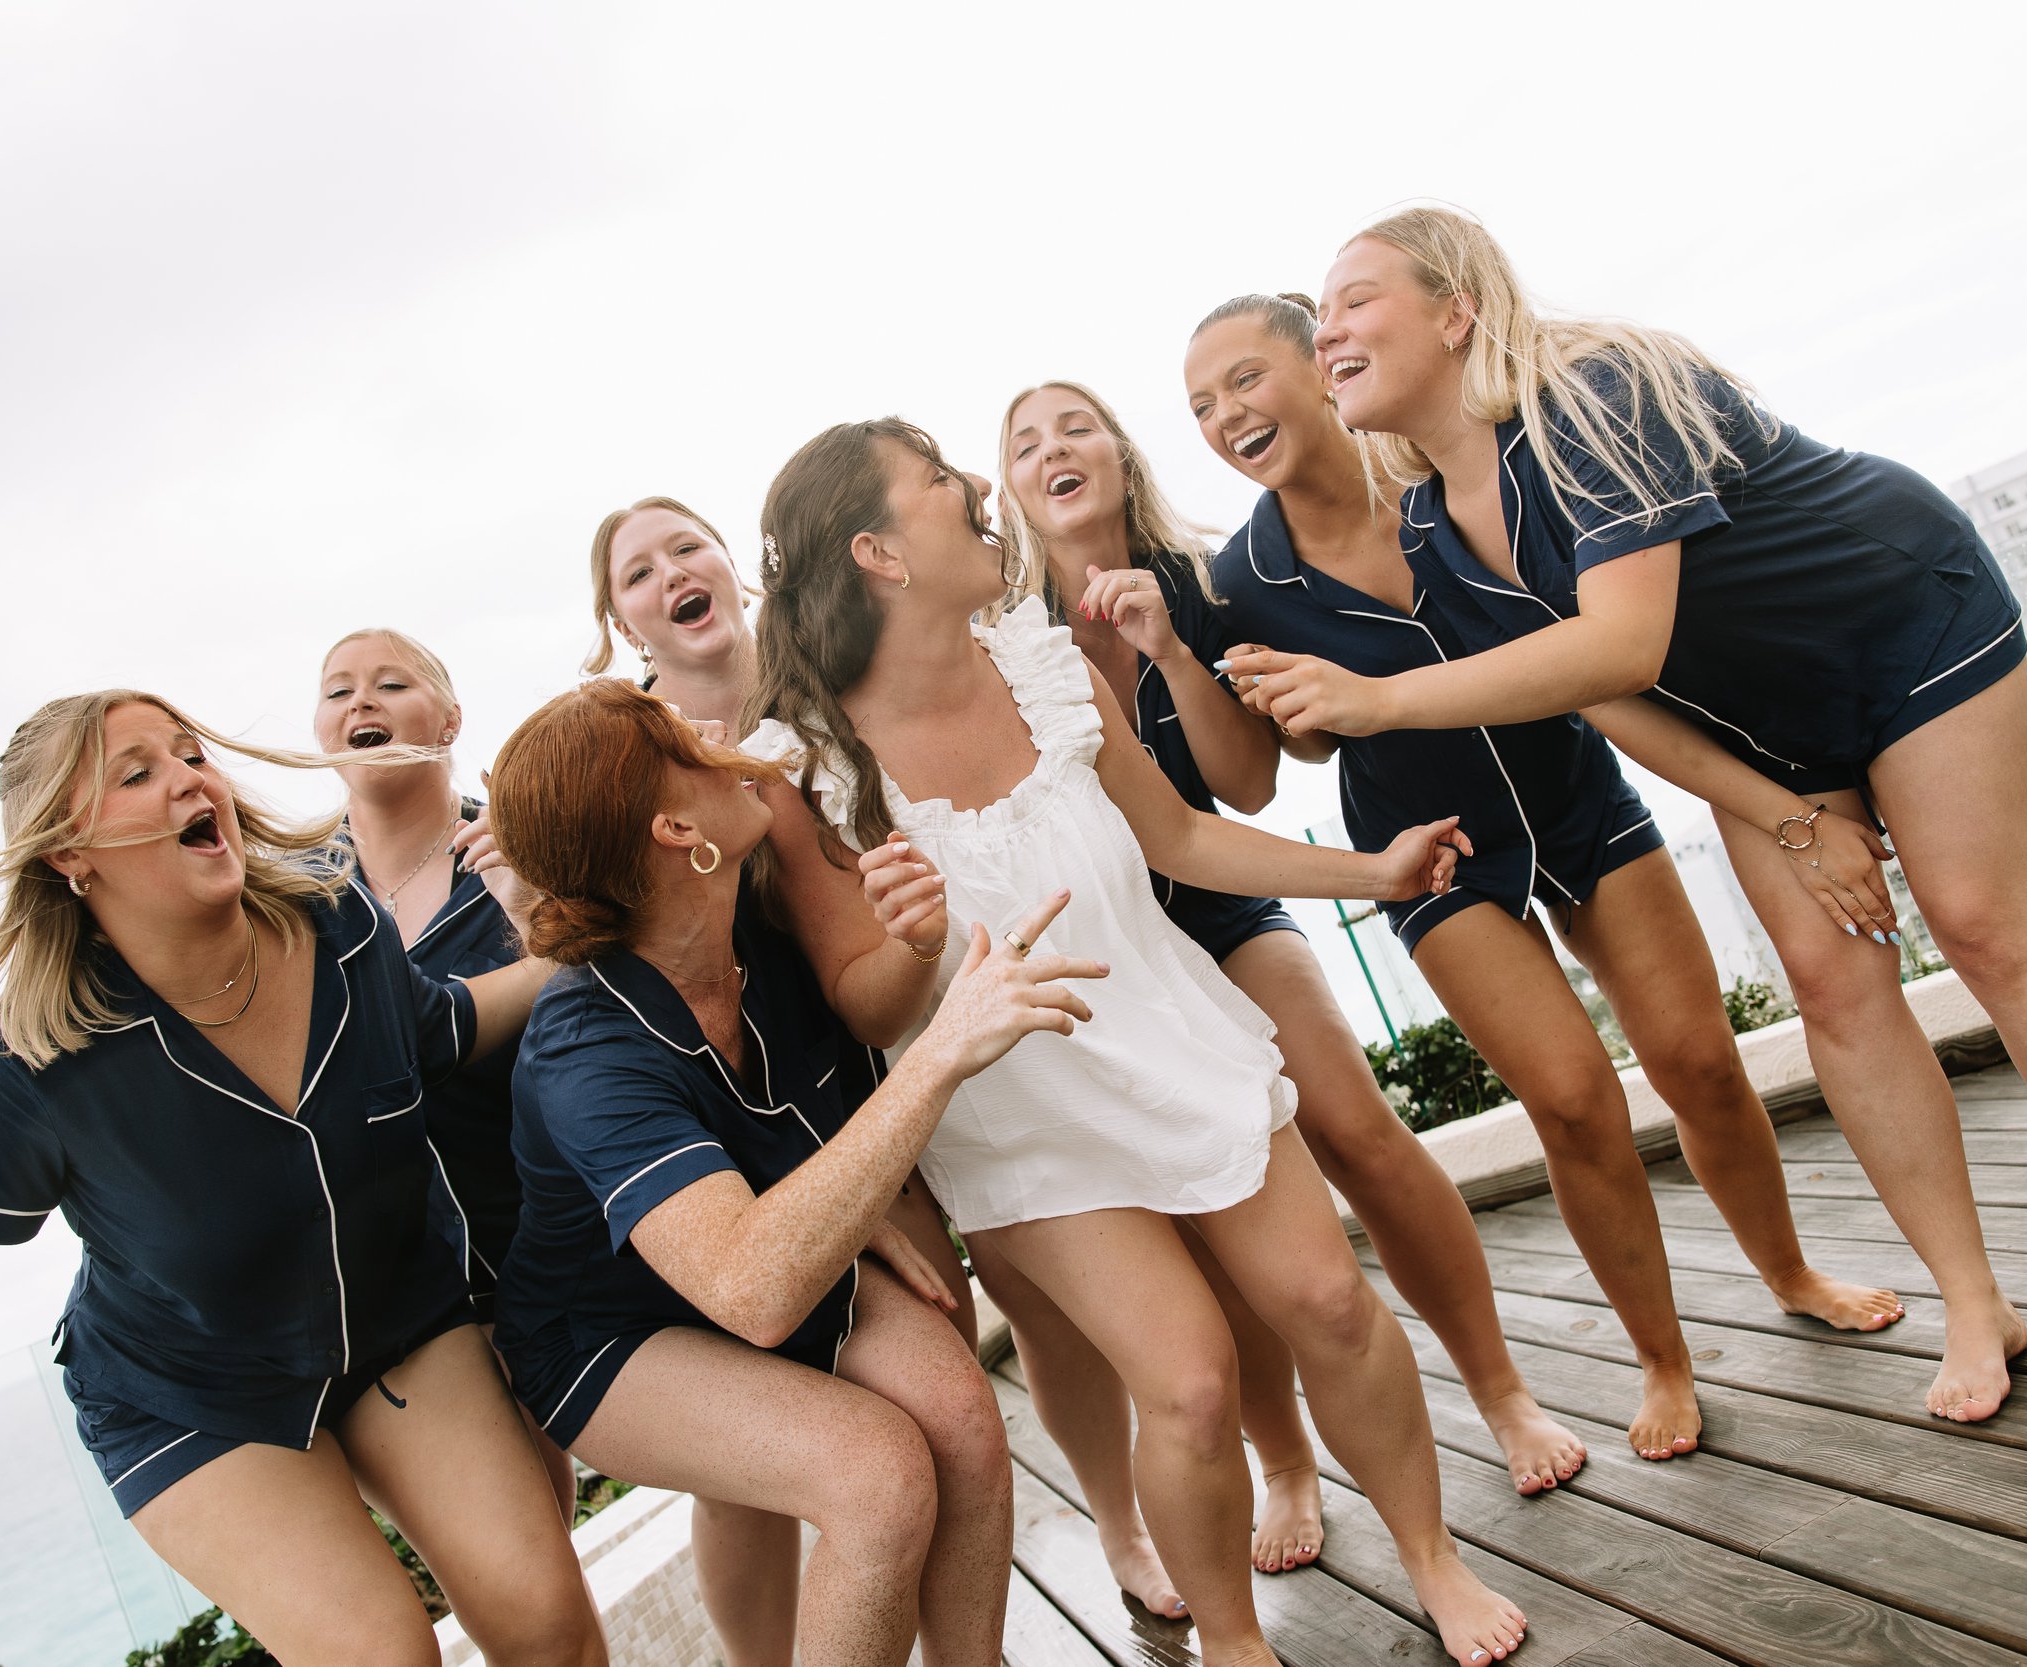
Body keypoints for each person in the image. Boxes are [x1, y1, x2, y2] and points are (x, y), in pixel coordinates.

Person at [1224, 206, 2027, 1419]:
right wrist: (1791, 819)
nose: (1326, 332)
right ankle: (1972, 1299)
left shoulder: (1590, 392)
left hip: (1896, 626)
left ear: (1454, 308)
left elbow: (1621, 634)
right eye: (1318, 317)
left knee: (1978, 922)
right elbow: (1607, 691)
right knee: (1833, 977)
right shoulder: (1433, 514)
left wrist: (1375, 701)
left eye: (1352, 303)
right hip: (1757, 725)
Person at [744, 416, 1529, 1667]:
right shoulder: (802, 770)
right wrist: (915, 937)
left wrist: (1370, 870)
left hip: (1171, 1036)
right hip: (1020, 1121)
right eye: (940, 482)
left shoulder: (1046, 665)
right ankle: (1233, 1642)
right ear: (879, 552)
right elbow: (869, 1005)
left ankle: (1434, 1560)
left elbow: (1182, 839)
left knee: (1329, 1299)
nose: (971, 493)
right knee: (1192, 1383)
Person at [1185, 298, 1902, 1460]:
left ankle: (1789, 1268)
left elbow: (1598, 624)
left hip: (1576, 793)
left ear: (1320, 368)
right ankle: (1664, 1360)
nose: (1224, 415)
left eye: (1243, 379)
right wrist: (1289, 697)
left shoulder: (1450, 476)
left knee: (1701, 1061)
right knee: (1572, 1098)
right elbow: (1301, 748)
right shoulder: (1239, 578)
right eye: (1201, 405)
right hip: (1432, 853)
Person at [0, 691, 603, 1667]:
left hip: (402, 1320)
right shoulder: (30, 1057)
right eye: (137, 771)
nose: (191, 777)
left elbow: (436, 1028)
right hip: (186, 1393)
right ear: (69, 850)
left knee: (550, 1627)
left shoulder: (337, 923)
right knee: (382, 1654)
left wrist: (586, 947)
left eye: (190, 753)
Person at [997, 381, 1595, 1557]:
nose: (1054, 448)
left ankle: (1501, 1390)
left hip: (1217, 901)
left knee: (1356, 1127)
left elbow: (1247, 787)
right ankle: (1284, 1463)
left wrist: (1168, 651)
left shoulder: (1210, 587)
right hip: (1106, 941)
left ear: (1116, 450)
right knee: (1196, 1201)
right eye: (1024, 441)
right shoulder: (1005, 631)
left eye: (1075, 424)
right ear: (1008, 486)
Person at [487, 679, 1092, 1667]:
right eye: (685, 739)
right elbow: (754, 1289)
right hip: (612, 1333)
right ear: (678, 826)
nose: (716, 729)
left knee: (963, 1424)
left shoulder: (758, 934)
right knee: (876, 1477)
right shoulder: (585, 1048)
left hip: (760, 1240)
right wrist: (947, 1047)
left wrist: (834, 1196)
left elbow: (798, 1166)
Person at [317, 626, 575, 1518]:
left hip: (552, 1240)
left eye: (392, 682)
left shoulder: (521, 846)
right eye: (338, 690)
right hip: (399, 1291)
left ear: (452, 715)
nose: (362, 702)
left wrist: (539, 909)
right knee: (525, 1533)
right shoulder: (292, 899)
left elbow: (611, 995)